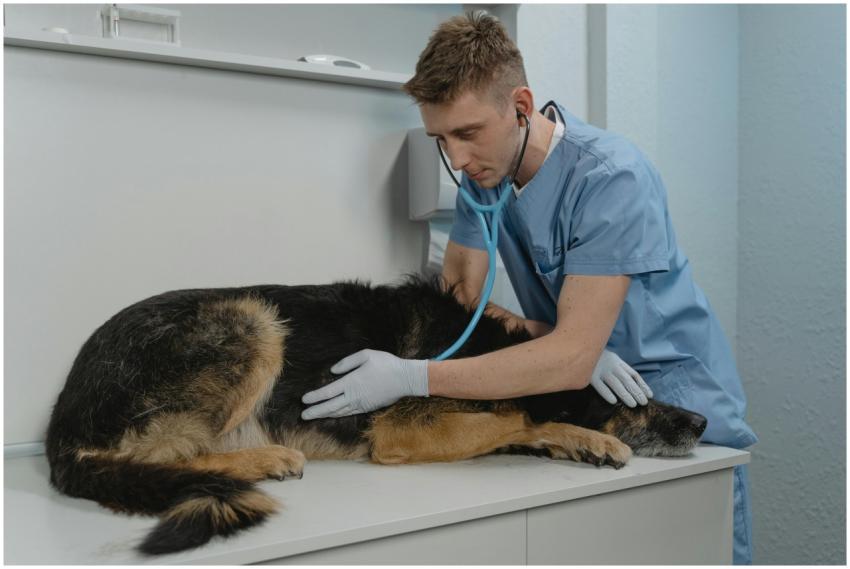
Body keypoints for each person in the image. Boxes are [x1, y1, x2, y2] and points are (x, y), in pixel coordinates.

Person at [301, 11, 757, 564]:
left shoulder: (611, 179)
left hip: (671, 409)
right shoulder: (485, 178)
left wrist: (411, 377)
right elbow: (461, 305)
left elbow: (566, 359)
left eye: (467, 134)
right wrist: (554, 337)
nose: (457, 159)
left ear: (520, 106)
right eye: (440, 139)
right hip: (578, 398)